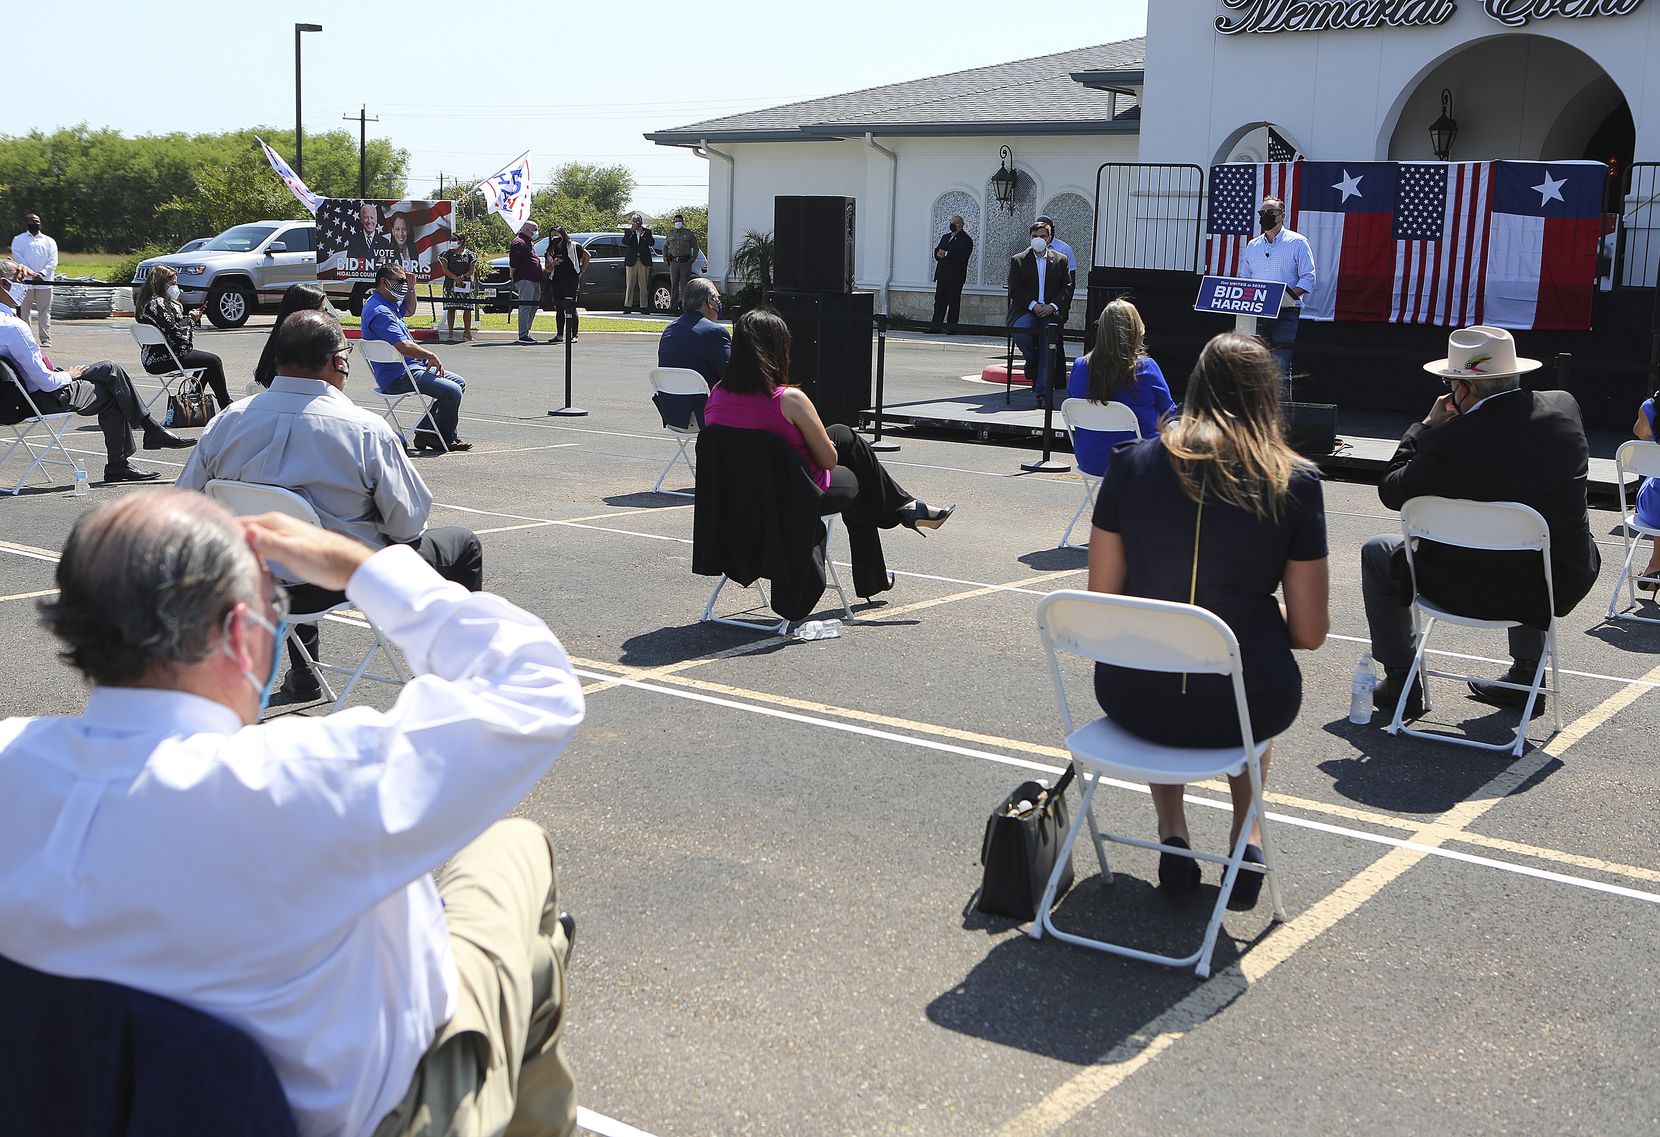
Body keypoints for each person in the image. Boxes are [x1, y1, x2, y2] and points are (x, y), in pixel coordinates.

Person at [0, 490, 585, 1137]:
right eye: (270, 607)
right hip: (364, 1116)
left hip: (77, 1098)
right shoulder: (299, 779)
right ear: (235, 633)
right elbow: (538, 685)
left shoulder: (11, 760)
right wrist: (357, 564)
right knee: (516, 848)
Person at [1087, 332, 1328, 908]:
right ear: (1268, 397)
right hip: (1244, 704)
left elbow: (1102, 598)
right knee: (1253, 670)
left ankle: (1173, 832)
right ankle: (1247, 835)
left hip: (1133, 695)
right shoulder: (1293, 484)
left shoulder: (1130, 464)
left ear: (1194, 387)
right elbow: (1311, 633)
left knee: (1166, 649)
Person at [178, 308, 486, 701]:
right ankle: (460, 677)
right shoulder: (364, 429)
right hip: (344, 580)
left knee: (289, 545)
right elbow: (407, 525)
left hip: (256, 579)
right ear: (337, 360)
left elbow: (184, 507)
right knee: (463, 544)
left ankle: (304, 674)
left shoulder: (227, 422)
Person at [1361, 326, 1601, 717]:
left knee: (1377, 550)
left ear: (1462, 390)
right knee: (1535, 538)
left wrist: (1424, 426)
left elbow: (1391, 489)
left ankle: (1400, 683)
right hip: (1556, 581)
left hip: (1462, 589)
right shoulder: (1564, 408)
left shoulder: (1446, 442)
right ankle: (1527, 674)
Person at [706, 309, 955, 601]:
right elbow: (828, 461)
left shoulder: (717, 393)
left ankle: (901, 514)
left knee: (843, 434)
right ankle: (900, 512)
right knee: (858, 479)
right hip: (790, 494)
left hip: (738, 494)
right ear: (777, 350)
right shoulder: (790, 400)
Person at [0, 301, 193, 483]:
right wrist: (69, 375)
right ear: (3, 284)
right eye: (18, 278)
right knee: (113, 392)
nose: (24, 284)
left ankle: (147, 435)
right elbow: (47, 382)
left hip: (17, 398)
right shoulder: (13, 327)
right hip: (43, 398)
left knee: (110, 369)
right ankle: (128, 454)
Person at [362, 263, 471, 452]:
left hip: (409, 370)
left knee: (458, 382)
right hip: (397, 377)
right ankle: (445, 437)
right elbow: (403, 345)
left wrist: (411, 288)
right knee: (452, 391)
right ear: (384, 282)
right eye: (400, 281)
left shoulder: (387, 303)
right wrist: (429, 354)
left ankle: (426, 432)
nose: (404, 284)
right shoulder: (380, 312)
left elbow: (410, 310)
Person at [1065, 298, 1174, 477]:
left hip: (1091, 461)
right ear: (1136, 330)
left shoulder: (1080, 366)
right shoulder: (1146, 367)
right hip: (1138, 462)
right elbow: (1168, 414)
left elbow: (1076, 401)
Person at [1239, 196, 1314, 390]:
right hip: (1256, 314)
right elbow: (1245, 280)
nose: (1265, 216)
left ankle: (1280, 417)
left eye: (1270, 213)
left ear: (1282, 215)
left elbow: (1308, 279)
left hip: (1286, 313)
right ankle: (1255, 414)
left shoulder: (1297, 242)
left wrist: (1283, 299)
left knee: (1280, 367)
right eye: (1262, 213)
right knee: (1254, 366)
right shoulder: (1253, 245)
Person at [135, 264, 232, 411]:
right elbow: (177, 335)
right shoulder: (158, 304)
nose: (176, 287)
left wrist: (190, 317)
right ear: (162, 284)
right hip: (164, 358)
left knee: (206, 362)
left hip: (157, 357)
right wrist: (192, 318)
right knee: (214, 361)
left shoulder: (148, 303)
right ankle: (226, 406)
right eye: (173, 283)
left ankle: (192, 401)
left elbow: (172, 327)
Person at [1007, 220, 1073, 406]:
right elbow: (1015, 289)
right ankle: (1032, 359)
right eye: (1034, 236)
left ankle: (1043, 394)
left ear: (1049, 238)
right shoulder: (1018, 260)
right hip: (1026, 310)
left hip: (1049, 312)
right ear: (1030, 238)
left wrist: (1052, 306)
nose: (1038, 239)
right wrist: (1033, 305)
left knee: (1048, 347)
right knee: (1020, 330)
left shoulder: (1060, 260)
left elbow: (1066, 288)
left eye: (1042, 236)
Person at [255, 283, 331, 388]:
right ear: (305, 314)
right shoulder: (306, 354)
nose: (326, 315)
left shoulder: (277, 343)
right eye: (322, 310)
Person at [658, 277, 730, 385]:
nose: (719, 302)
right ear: (709, 302)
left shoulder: (669, 331)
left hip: (670, 399)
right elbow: (731, 375)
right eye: (717, 298)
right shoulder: (715, 332)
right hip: (705, 399)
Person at [10, 211, 57, 347]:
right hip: (26, 282)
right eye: (32, 221)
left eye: (37, 221)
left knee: (45, 311)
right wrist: (31, 274)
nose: (35, 223)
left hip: (45, 282)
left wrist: (42, 274)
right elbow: (19, 259)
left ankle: (45, 338)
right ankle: (27, 338)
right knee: (24, 311)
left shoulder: (49, 241)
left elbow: (53, 260)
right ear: (27, 224)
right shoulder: (19, 240)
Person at [1632, 386, 1660, 590]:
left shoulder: (1651, 407)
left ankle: (1654, 568)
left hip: (1654, 507)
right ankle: (1653, 568)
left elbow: (1640, 433)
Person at [543, 228, 590, 344]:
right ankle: (559, 335)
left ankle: (574, 335)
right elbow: (547, 269)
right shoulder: (550, 250)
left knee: (571, 308)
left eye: (557, 235)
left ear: (563, 235)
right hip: (556, 281)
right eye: (552, 236)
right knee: (559, 308)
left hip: (571, 281)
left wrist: (582, 271)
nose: (554, 237)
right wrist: (554, 263)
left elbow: (587, 256)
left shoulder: (573, 246)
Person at [928, 215, 973, 334]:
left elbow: (962, 257)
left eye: (956, 223)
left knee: (953, 302)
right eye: (952, 222)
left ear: (962, 225)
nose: (953, 225)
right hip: (942, 275)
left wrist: (946, 254)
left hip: (955, 277)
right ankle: (936, 326)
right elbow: (938, 250)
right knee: (939, 301)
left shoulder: (966, 239)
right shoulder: (945, 237)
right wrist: (938, 254)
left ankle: (951, 327)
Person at [437, 230, 478, 342]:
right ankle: (450, 333)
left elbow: (471, 270)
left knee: (467, 309)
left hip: (466, 284)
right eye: (451, 239)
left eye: (454, 239)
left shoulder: (470, 255)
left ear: (461, 241)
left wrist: (463, 277)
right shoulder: (446, 254)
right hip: (451, 284)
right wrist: (455, 277)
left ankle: (467, 333)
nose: (452, 242)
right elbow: (444, 269)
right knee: (451, 308)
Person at [510, 220, 543, 344]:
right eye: (535, 229)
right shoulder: (519, 242)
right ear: (527, 229)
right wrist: (512, 274)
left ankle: (527, 332)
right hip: (525, 279)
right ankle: (523, 334)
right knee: (525, 306)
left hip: (535, 278)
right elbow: (514, 262)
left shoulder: (529, 242)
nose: (536, 232)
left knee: (533, 306)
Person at [664, 212, 701, 307]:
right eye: (676, 221)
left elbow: (696, 247)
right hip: (673, 263)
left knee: (685, 286)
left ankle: (685, 306)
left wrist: (692, 259)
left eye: (679, 221)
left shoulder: (688, 233)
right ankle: (673, 307)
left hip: (685, 263)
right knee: (674, 285)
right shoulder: (671, 233)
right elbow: (665, 246)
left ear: (683, 222)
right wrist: (665, 258)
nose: (678, 223)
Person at [621, 214, 654, 314]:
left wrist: (643, 234)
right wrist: (632, 231)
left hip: (643, 261)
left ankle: (644, 307)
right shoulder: (628, 231)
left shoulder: (647, 231)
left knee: (643, 285)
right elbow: (625, 242)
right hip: (632, 261)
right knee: (630, 285)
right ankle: (627, 307)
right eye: (635, 221)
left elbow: (651, 243)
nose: (637, 222)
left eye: (638, 221)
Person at [347, 201, 393, 269]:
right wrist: (376, 263)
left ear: (376, 220)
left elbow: (386, 267)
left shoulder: (384, 242)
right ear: (361, 220)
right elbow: (350, 265)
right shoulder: (354, 240)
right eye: (366, 217)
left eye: (372, 218)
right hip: (359, 279)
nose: (369, 221)